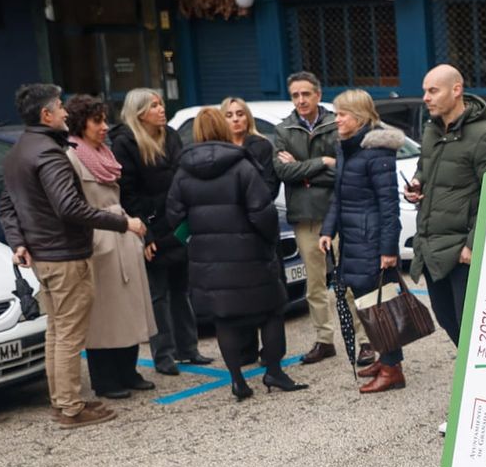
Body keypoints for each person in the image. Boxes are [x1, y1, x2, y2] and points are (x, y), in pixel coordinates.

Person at [0, 83, 146, 428]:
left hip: (44, 256)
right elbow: (70, 208)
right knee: (68, 335)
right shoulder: (50, 154)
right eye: (60, 106)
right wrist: (124, 223)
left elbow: (7, 205)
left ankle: (63, 401)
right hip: (65, 256)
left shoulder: (19, 151)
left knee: (56, 332)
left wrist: (18, 242)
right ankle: (70, 408)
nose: (65, 112)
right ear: (46, 114)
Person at [166, 107, 307, 399]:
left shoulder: (183, 171)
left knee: (224, 318)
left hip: (209, 259)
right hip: (250, 253)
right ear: (222, 127)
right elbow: (263, 212)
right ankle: (274, 371)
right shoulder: (242, 166)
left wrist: (195, 239)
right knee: (271, 311)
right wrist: (267, 242)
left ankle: (237, 381)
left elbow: (174, 216)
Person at [408, 64, 486, 434]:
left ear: (456, 90)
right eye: (425, 90)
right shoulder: (432, 130)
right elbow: (426, 170)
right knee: (450, 324)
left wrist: (473, 244)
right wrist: (416, 184)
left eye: (432, 90)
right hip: (432, 246)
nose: (426, 98)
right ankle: (484, 401)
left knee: (472, 335)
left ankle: (476, 410)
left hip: (462, 254)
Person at [109, 88, 213, 376]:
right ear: (140, 112)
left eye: (161, 104)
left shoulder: (171, 135)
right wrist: (146, 233)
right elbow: (127, 193)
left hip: (178, 222)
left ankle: (188, 349)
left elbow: (184, 176)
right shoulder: (125, 143)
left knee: (182, 289)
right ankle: (164, 354)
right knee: (158, 294)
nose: (161, 109)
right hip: (150, 226)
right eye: (154, 105)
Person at [63, 95, 157, 401]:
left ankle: (128, 370)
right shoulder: (71, 157)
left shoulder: (104, 152)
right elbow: (74, 206)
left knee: (128, 308)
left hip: (123, 234)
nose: (104, 127)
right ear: (81, 124)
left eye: (104, 120)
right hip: (99, 240)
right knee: (104, 315)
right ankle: (105, 379)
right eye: (97, 121)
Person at [316, 90, 408, 394]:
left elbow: (389, 205)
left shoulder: (377, 151)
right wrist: (327, 230)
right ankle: (386, 360)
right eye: (336, 113)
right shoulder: (348, 147)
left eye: (342, 114)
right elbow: (339, 197)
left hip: (370, 241)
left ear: (359, 117)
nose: (337, 120)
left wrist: (388, 249)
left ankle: (393, 371)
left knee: (379, 307)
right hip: (353, 239)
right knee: (366, 304)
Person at [272, 72, 341, 365]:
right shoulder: (283, 130)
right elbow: (282, 172)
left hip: (338, 213)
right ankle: (325, 341)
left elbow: (343, 171)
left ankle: (364, 341)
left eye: (306, 94)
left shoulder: (336, 124)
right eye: (295, 95)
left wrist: (303, 170)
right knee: (315, 285)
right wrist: (322, 162)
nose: (301, 100)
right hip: (306, 217)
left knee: (350, 281)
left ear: (318, 94)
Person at [222, 96, 280, 198]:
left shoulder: (262, 145)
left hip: (258, 204)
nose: (235, 119)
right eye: (229, 115)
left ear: (248, 117)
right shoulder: (218, 147)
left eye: (240, 114)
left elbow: (270, 185)